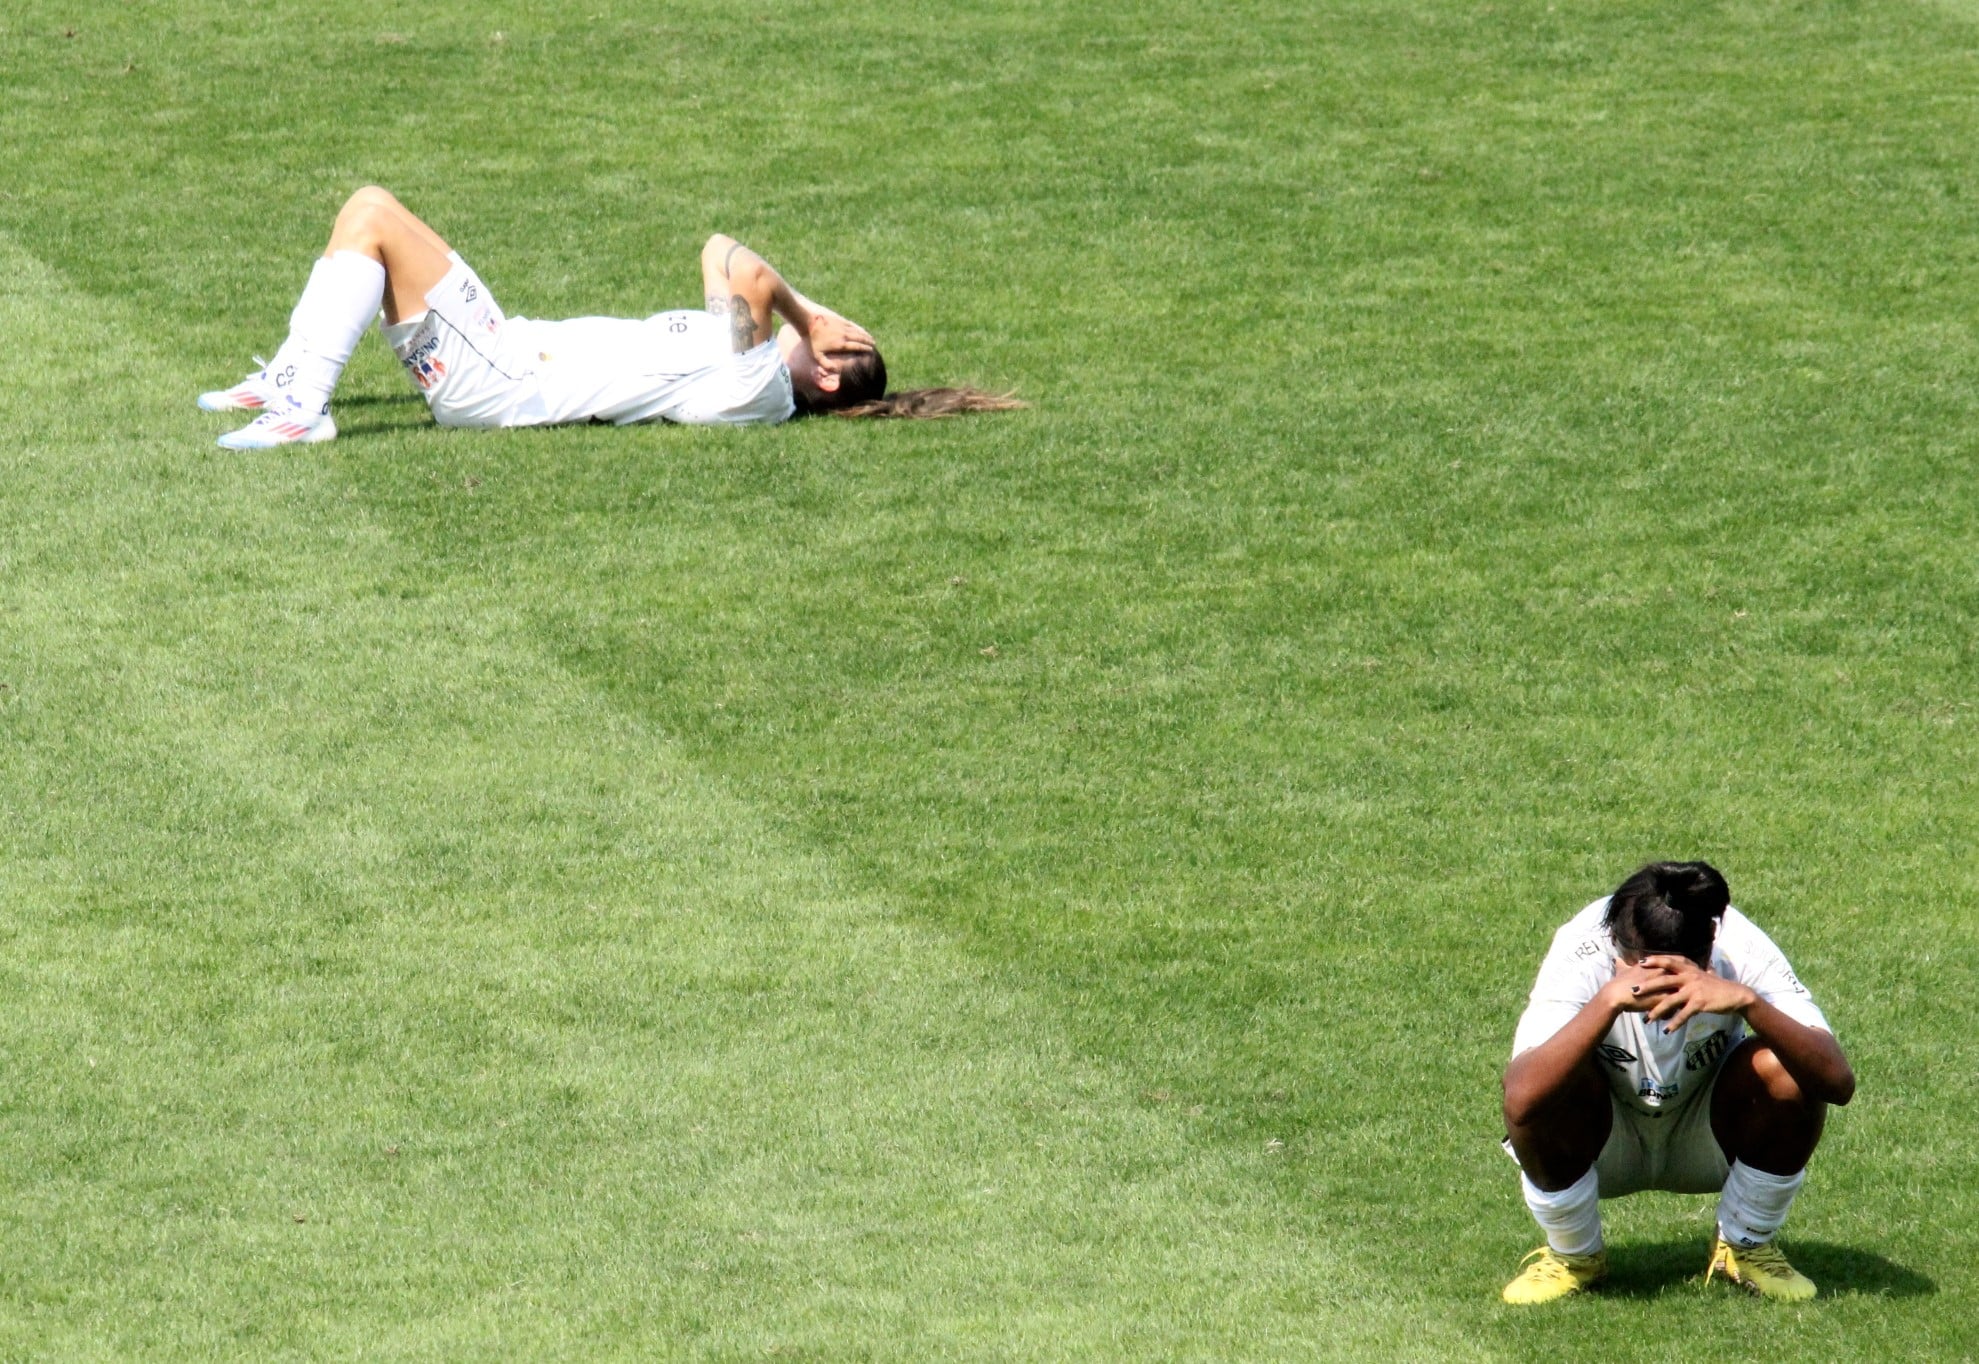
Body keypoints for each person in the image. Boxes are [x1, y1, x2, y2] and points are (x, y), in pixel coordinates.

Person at [199, 186, 1021, 448]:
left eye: (838, 332)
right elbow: (727, 261)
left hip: (502, 382)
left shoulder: (755, 382)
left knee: (374, 212)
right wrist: (803, 325)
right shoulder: (752, 368)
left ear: (830, 369)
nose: (824, 318)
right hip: (507, 358)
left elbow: (736, 259)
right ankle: (290, 380)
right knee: (366, 220)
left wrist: (803, 317)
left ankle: (302, 412)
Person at [1499, 860, 1854, 1304]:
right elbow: (1521, 1099)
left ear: (1708, 951)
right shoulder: (1581, 949)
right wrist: (1608, 1001)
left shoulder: (1739, 946)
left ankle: (1745, 1246)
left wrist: (1749, 1004)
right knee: (1552, 1081)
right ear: (1618, 950)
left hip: (1707, 1132)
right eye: (1647, 973)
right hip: (1605, 1137)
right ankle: (1575, 1256)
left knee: (1785, 1066)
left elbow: (1836, 1083)